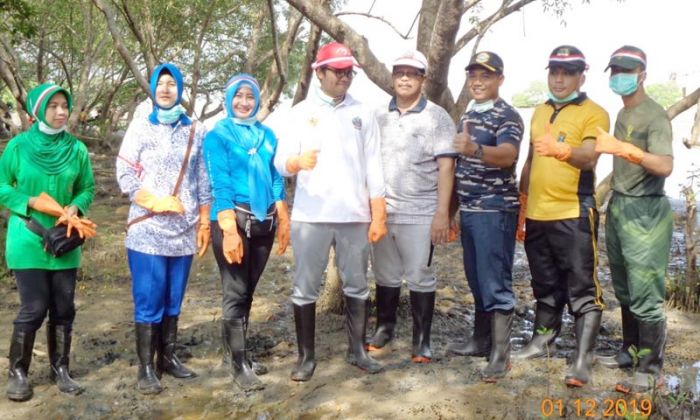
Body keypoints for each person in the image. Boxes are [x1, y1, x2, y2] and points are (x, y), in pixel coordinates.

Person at [273, 41, 387, 381]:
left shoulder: (363, 112)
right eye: (336, 71)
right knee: (304, 287)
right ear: (318, 72)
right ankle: (306, 358)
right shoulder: (298, 114)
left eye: (348, 71)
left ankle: (358, 351)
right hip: (312, 217)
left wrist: (378, 213)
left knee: (357, 285)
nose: (344, 77)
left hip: (354, 216)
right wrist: (296, 162)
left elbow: (374, 166)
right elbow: (280, 163)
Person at [514, 46, 609, 388]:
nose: (559, 78)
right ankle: (543, 340)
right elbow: (529, 160)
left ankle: (583, 359)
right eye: (554, 71)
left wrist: (563, 150)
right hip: (538, 214)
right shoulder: (539, 111)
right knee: (544, 284)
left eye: (567, 72)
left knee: (583, 288)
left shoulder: (594, 112)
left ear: (582, 76)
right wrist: (522, 204)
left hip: (574, 212)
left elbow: (589, 157)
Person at [116, 63, 211, 395]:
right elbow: (124, 171)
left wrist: (204, 223)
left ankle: (167, 359)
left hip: (184, 230)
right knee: (149, 299)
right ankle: (145, 368)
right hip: (148, 229)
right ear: (153, 89)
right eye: (162, 84)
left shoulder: (195, 129)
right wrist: (153, 202)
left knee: (173, 299)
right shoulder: (141, 126)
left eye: (172, 84)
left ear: (180, 89)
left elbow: (203, 177)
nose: (167, 89)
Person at [0, 83, 96, 401]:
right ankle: (18, 372)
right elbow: (2, 187)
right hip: (27, 239)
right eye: (53, 105)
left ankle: (60, 370)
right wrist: (30, 202)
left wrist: (75, 207)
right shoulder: (18, 147)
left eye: (64, 105)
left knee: (64, 308)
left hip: (65, 241)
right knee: (34, 307)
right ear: (38, 110)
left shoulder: (77, 149)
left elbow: (87, 187)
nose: (60, 111)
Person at [203, 74, 290, 391]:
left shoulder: (267, 135)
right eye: (238, 96)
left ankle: (237, 355)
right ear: (228, 100)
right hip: (234, 220)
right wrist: (228, 229)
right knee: (235, 292)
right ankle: (239, 367)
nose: (243, 102)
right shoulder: (217, 137)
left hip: (264, 222)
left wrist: (283, 213)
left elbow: (276, 176)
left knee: (248, 291)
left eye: (249, 96)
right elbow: (220, 184)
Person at [367, 50, 456, 363]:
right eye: (400, 72)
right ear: (393, 77)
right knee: (385, 273)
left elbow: (447, 168)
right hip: (382, 212)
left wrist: (442, 214)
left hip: (422, 212)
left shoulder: (438, 117)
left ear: (423, 79)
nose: (405, 78)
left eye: (412, 73)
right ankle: (385, 329)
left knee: (421, 274)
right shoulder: (377, 115)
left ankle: (422, 339)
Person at [594, 46, 673, 393]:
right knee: (624, 286)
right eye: (614, 71)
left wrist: (627, 150)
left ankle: (650, 365)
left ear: (642, 74)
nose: (619, 77)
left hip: (646, 211)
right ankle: (629, 351)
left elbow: (665, 165)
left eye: (626, 71)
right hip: (621, 206)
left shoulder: (654, 116)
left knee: (645, 290)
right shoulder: (623, 113)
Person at [446, 52, 524, 382]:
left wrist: (474, 149)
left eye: (486, 76)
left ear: (500, 80)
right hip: (471, 210)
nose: (478, 81)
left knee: (496, 283)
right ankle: (480, 340)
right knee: (477, 280)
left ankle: (500, 355)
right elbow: (458, 165)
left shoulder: (507, 115)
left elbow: (508, 155)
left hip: (495, 210)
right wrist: (449, 212)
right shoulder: (469, 114)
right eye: (473, 75)